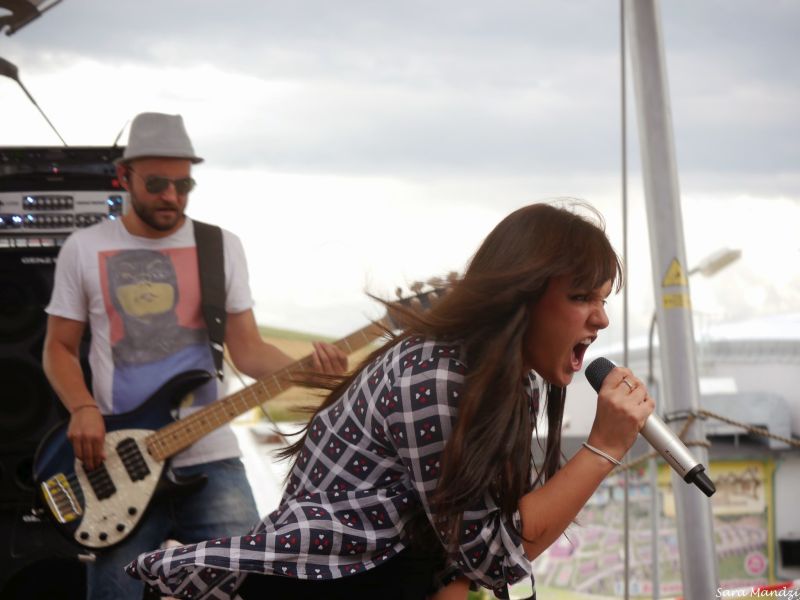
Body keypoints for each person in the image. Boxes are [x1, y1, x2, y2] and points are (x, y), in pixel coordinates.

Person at [125, 201, 655, 599]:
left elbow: (464, 553)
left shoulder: (513, 379)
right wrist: (603, 447)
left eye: (603, 298)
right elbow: (493, 556)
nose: (601, 318)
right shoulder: (438, 376)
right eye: (582, 297)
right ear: (522, 296)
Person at [42, 112, 348, 600]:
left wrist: (319, 375)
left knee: (253, 587)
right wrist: (82, 407)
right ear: (124, 177)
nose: (171, 196)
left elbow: (248, 351)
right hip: (118, 466)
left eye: (183, 184)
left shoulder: (219, 246)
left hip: (212, 458)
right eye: (157, 183)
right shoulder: (85, 248)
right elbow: (58, 346)